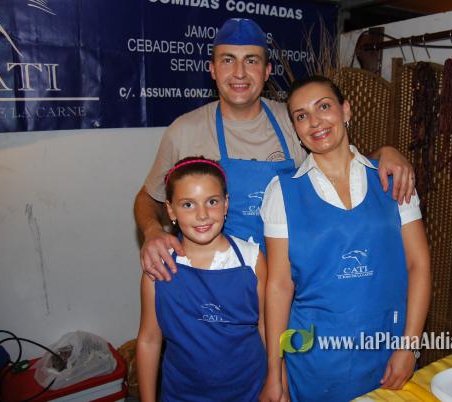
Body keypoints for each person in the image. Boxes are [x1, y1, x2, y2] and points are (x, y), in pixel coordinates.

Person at [134, 18, 416, 281]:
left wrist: (383, 154)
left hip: (290, 279)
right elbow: (148, 198)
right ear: (212, 69)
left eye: (251, 60)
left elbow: (342, 163)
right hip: (213, 281)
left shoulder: (294, 119)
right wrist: (152, 230)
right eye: (228, 60)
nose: (240, 72)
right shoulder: (184, 131)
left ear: (267, 71)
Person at [260, 76, 431, 402]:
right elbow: (279, 286)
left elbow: (418, 264)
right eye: (301, 115)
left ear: (346, 110)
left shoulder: (392, 178)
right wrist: (274, 370)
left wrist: (410, 346)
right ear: (295, 128)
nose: (315, 122)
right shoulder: (282, 192)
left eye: (324, 106)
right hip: (314, 361)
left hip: (387, 348)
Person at [136, 157, 267, 401]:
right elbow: (150, 340)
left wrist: (277, 379)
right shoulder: (158, 268)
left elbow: (265, 327)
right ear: (170, 210)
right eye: (188, 204)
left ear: (226, 204)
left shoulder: (252, 259)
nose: (202, 215)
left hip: (250, 391)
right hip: (182, 394)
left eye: (212, 202)